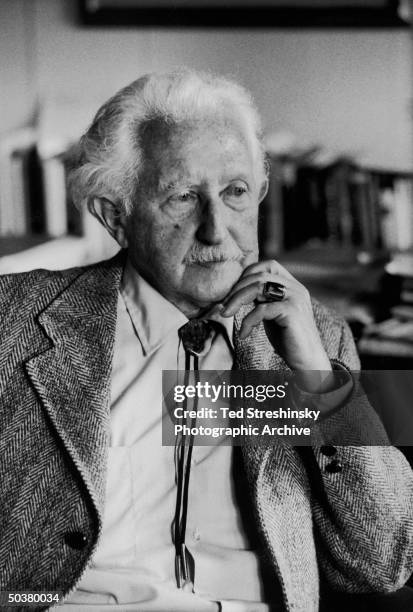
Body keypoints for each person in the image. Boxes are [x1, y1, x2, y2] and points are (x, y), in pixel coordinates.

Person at [1, 69, 413, 612]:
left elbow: (383, 563)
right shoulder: (15, 321)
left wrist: (317, 381)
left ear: (261, 195)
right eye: (182, 198)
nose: (217, 230)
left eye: (235, 192)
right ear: (115, 216)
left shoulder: (314, 337)